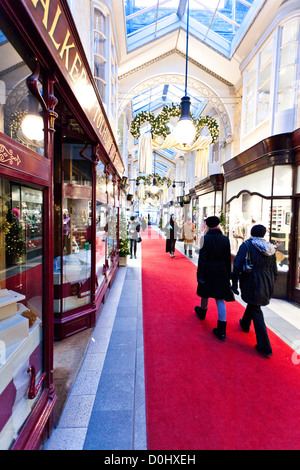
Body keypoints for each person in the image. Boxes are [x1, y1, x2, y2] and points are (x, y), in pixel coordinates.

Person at [231, 224, 277, 357]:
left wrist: (234, 280)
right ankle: (245, 323)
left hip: (252, 279)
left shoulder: (247, 246)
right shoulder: (270, 247)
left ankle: (265, 346)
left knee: (256, 308)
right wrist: (273, 281)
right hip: (267, 280)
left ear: (251, 232)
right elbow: (274, 268)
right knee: (254, 303)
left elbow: (238, 263)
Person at [195, 216, 233, 341]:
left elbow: (202, 259)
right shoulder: (225, 239)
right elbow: (228, 259)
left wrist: (199, 274)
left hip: (208, 270)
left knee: (205, 293)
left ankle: (202, 311)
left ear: (207, 226)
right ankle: (222, 330)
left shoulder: (205, 238)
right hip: (221, 271)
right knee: (220, 299)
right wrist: (228, 274)